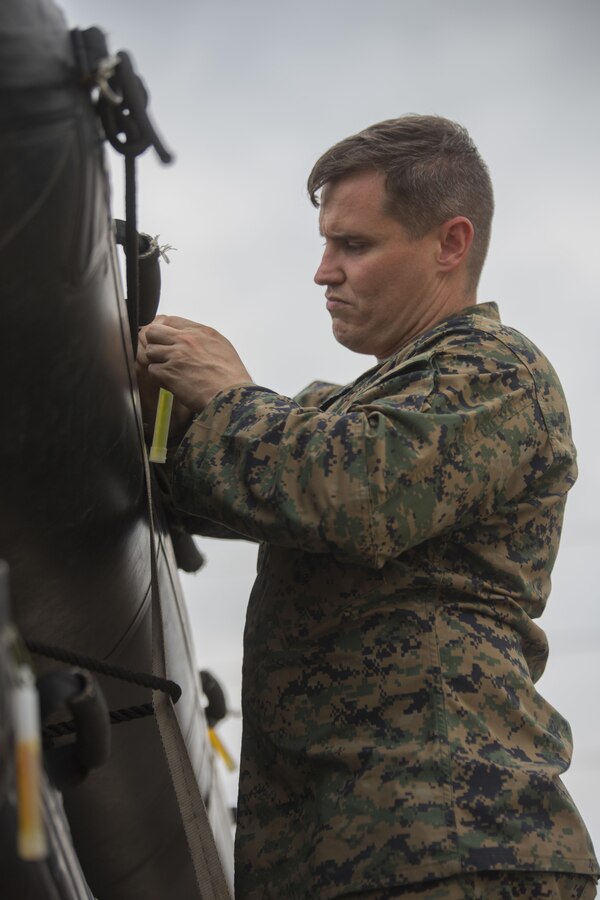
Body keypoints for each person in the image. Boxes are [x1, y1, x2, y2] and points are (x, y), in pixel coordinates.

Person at [136, 116, 599, 900]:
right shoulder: (359, 410)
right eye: (326, 244)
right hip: (347, 857)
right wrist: (149, 416)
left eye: (353, 245)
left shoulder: (494, 369)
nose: (324, 272)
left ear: (451, 244)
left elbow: (349, 494)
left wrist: (229, 395)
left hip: (452, 849)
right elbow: (234, 483)